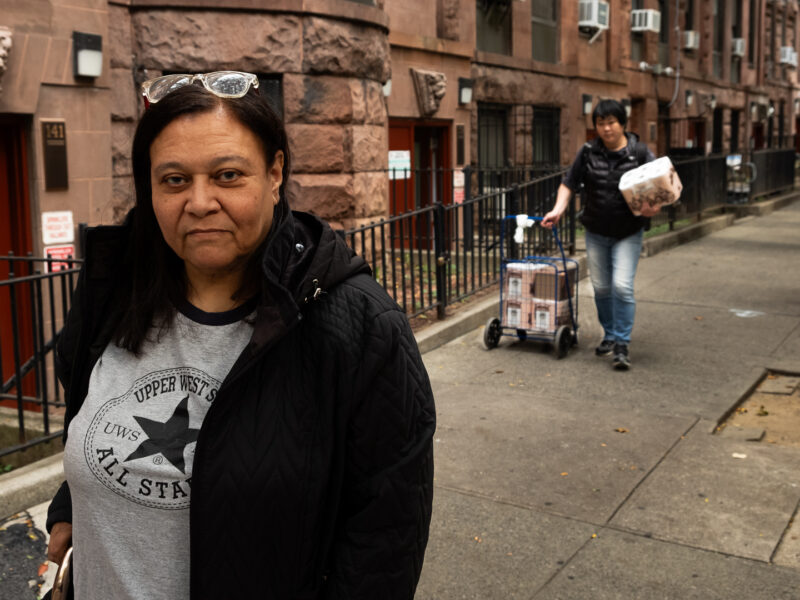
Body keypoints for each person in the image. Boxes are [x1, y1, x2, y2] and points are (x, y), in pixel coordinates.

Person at [44, 71, 436, 599]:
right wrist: (74, 504)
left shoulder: (360, 328)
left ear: (275, 174)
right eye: (174, 179)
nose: (200, 202)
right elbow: (88, 417)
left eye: (228, 175)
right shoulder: (113, 292)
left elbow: (384, 542)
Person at [542, 99, 657, 370]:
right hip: (595, 230)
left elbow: (659, 183)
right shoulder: (588, 151)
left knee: (622, 286)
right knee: (602, 288)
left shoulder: (639, 152)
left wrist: (654, 206)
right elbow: (568, 183)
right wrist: (558, 210)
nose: (606, 129)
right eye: (601, 123)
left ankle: (622, 343)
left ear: (622, 124)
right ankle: (610, 334)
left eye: (611, 123)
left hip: (628, 231)